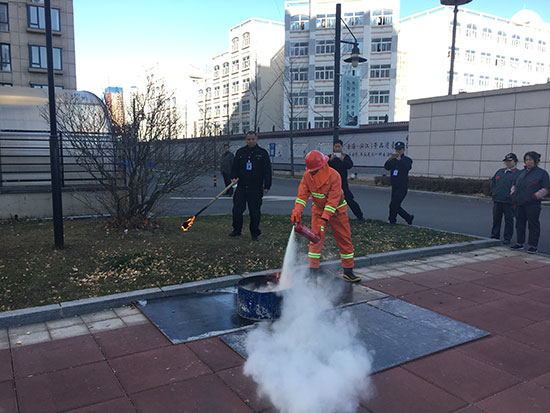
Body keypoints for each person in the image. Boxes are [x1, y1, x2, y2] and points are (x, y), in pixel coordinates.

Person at [291, 150, 360, 283]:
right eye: (311, 171)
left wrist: (324, 219)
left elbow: (333, 201)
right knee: (315, 240)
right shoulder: (307, 176)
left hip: (337, 211)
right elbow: (302, 196)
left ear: (323, 166)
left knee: (344, 239)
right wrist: (297, 212)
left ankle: (348, 271)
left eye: (315, 171)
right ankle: (312, 274)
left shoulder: (334, 176)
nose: (312, 173)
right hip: (318, 210)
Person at [229, 131, 272, 241]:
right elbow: (234, 168)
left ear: (256, 140)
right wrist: (233, 177)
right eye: (249, 139)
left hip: (256, 188)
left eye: (253, 139)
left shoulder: (262, 153)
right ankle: (236, 230)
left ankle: (254, 233)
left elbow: (267, 171)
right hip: (241, 187)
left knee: (255, 212)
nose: (251, 141)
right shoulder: (240, 152)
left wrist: (267, 185)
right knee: (237, 210)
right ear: (246, 140)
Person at [510, 151, 550, 253]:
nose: (528, 162)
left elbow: (546, 188)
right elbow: (515, 183)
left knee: (533, 225)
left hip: (532, 204)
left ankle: (533, 245)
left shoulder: (542, 173)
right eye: (526, 160)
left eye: (530, 160)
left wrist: (536, 196)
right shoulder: (521, 173)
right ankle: (519, 243)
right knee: (519, 224)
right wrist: (513, 191)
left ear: (536, 161)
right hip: (519, 202)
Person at [327, 139, 365, 222]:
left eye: (339, 147)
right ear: (333, 147)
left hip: (343, 183)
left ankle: (360, 216)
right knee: (330, 201)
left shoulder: (345, 157)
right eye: (335, 147)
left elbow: (349, 165)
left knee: (349, 200)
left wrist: (342, 159)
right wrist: (330, 160)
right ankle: (329, 217)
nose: (337, 148)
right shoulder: (329, 157)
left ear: (342, 147)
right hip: (331, 183)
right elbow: (324, 167)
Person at [490, 153, 519, 244]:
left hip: (509, 201)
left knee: (509, 220)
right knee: (496, 219)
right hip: (497, 200)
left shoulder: (518, 173)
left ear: (515, 162)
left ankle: (507, 238)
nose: (508, 163)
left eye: (510, 161)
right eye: (506, 161)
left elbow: (519, 187)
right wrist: (493, 193)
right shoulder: (500, 171)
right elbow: (493, 183)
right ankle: (495, 236)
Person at [384, 141, 414, 225]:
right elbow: (386, 167)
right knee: (395, 204)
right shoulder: (393, 160)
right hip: (394, 185)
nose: (398, 151)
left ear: (403, 150)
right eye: (397, 149)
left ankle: (392, 220)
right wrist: (389, 159)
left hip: (402, 186)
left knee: (393, 204)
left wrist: (400, 160)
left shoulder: (407, 160)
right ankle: (408, 217)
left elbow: (407, 167)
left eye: (400, 149)